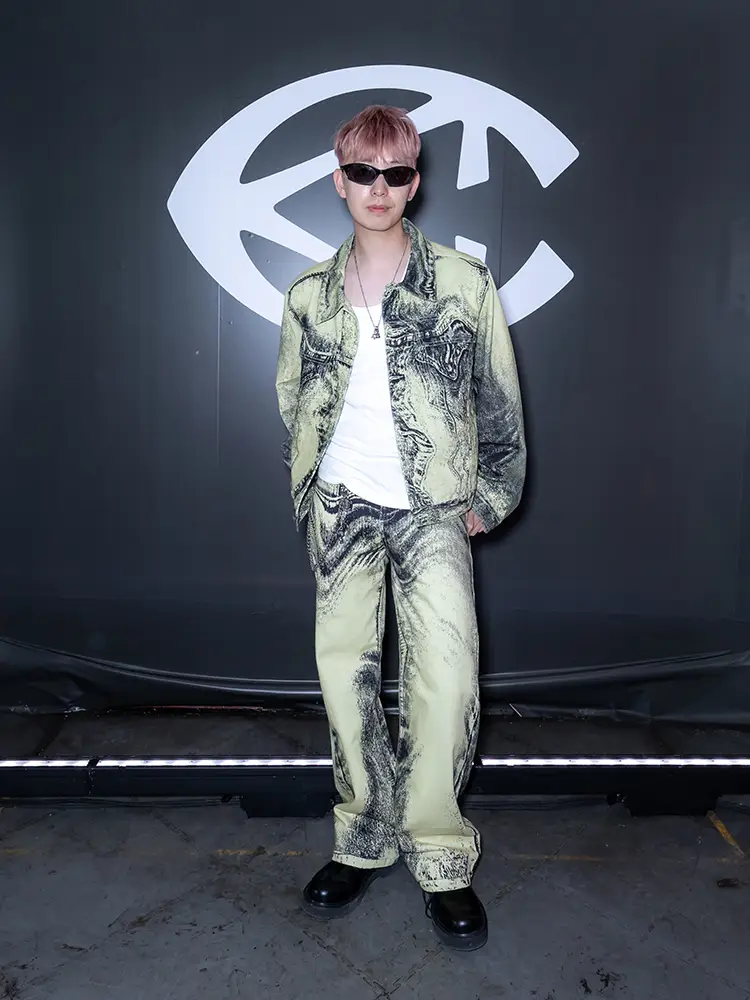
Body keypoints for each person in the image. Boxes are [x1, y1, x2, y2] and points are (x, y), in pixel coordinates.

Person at [275, 105, 526, 952]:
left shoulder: (464, 283)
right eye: (362, 172)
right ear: (338, 178)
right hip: (342, 506)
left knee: (446, 684)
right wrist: (314, 487)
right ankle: (362, 839)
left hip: (434, 509)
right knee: (344, 681)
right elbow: (291, 398)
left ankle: (442, 856)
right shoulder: (307, 295)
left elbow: (499, 400)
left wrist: (491, 493)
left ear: (415, 182)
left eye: (395, 174)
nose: (377, 189)